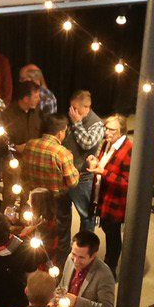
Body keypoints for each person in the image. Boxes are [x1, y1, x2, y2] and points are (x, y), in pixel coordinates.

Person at [54, 230, 116, 307]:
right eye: (73, 254)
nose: (76, 261)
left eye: (81, 257)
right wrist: (55, 297)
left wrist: (77, 301)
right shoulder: (69, 259)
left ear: (93, 256)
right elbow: (63, 284)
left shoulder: (104, 274)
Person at [15, 114, 78, 231]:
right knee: (59, 231)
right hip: (56, 201)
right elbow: (72, 182)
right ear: (61, 132)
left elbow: (23, 172)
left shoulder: (30, 144)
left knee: (34, 229)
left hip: (34, 197)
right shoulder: (62, 152)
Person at [90, 115, 132, 269]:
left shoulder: (128, 150)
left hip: (115, 203)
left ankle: (110, 269)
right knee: (109, 233)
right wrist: (94, 161)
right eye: (106, 128)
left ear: (121, 132)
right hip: (104, 199)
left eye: (112, 130)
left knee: (113, 238)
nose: (107, 132)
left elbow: (128, 183)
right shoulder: (107, 144)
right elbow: (104, 164)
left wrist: (103, 172)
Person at [64, 91, 106, 236]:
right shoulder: (71, 117)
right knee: (63, 214)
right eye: (71, 107)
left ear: (87, 107)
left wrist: (77, 123)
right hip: (65, 173)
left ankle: (85, 243)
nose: (72, 112)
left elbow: (87, 143)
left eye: (76, 108)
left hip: (82, 177)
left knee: (87, 216)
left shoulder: (97, 125)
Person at [4, 82, 46, 147]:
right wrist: (15, 147)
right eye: (36, 97)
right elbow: (3, 139)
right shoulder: (7, 115)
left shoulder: (37, 111)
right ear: (26, 99)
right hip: (16, 155)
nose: (39, 99)